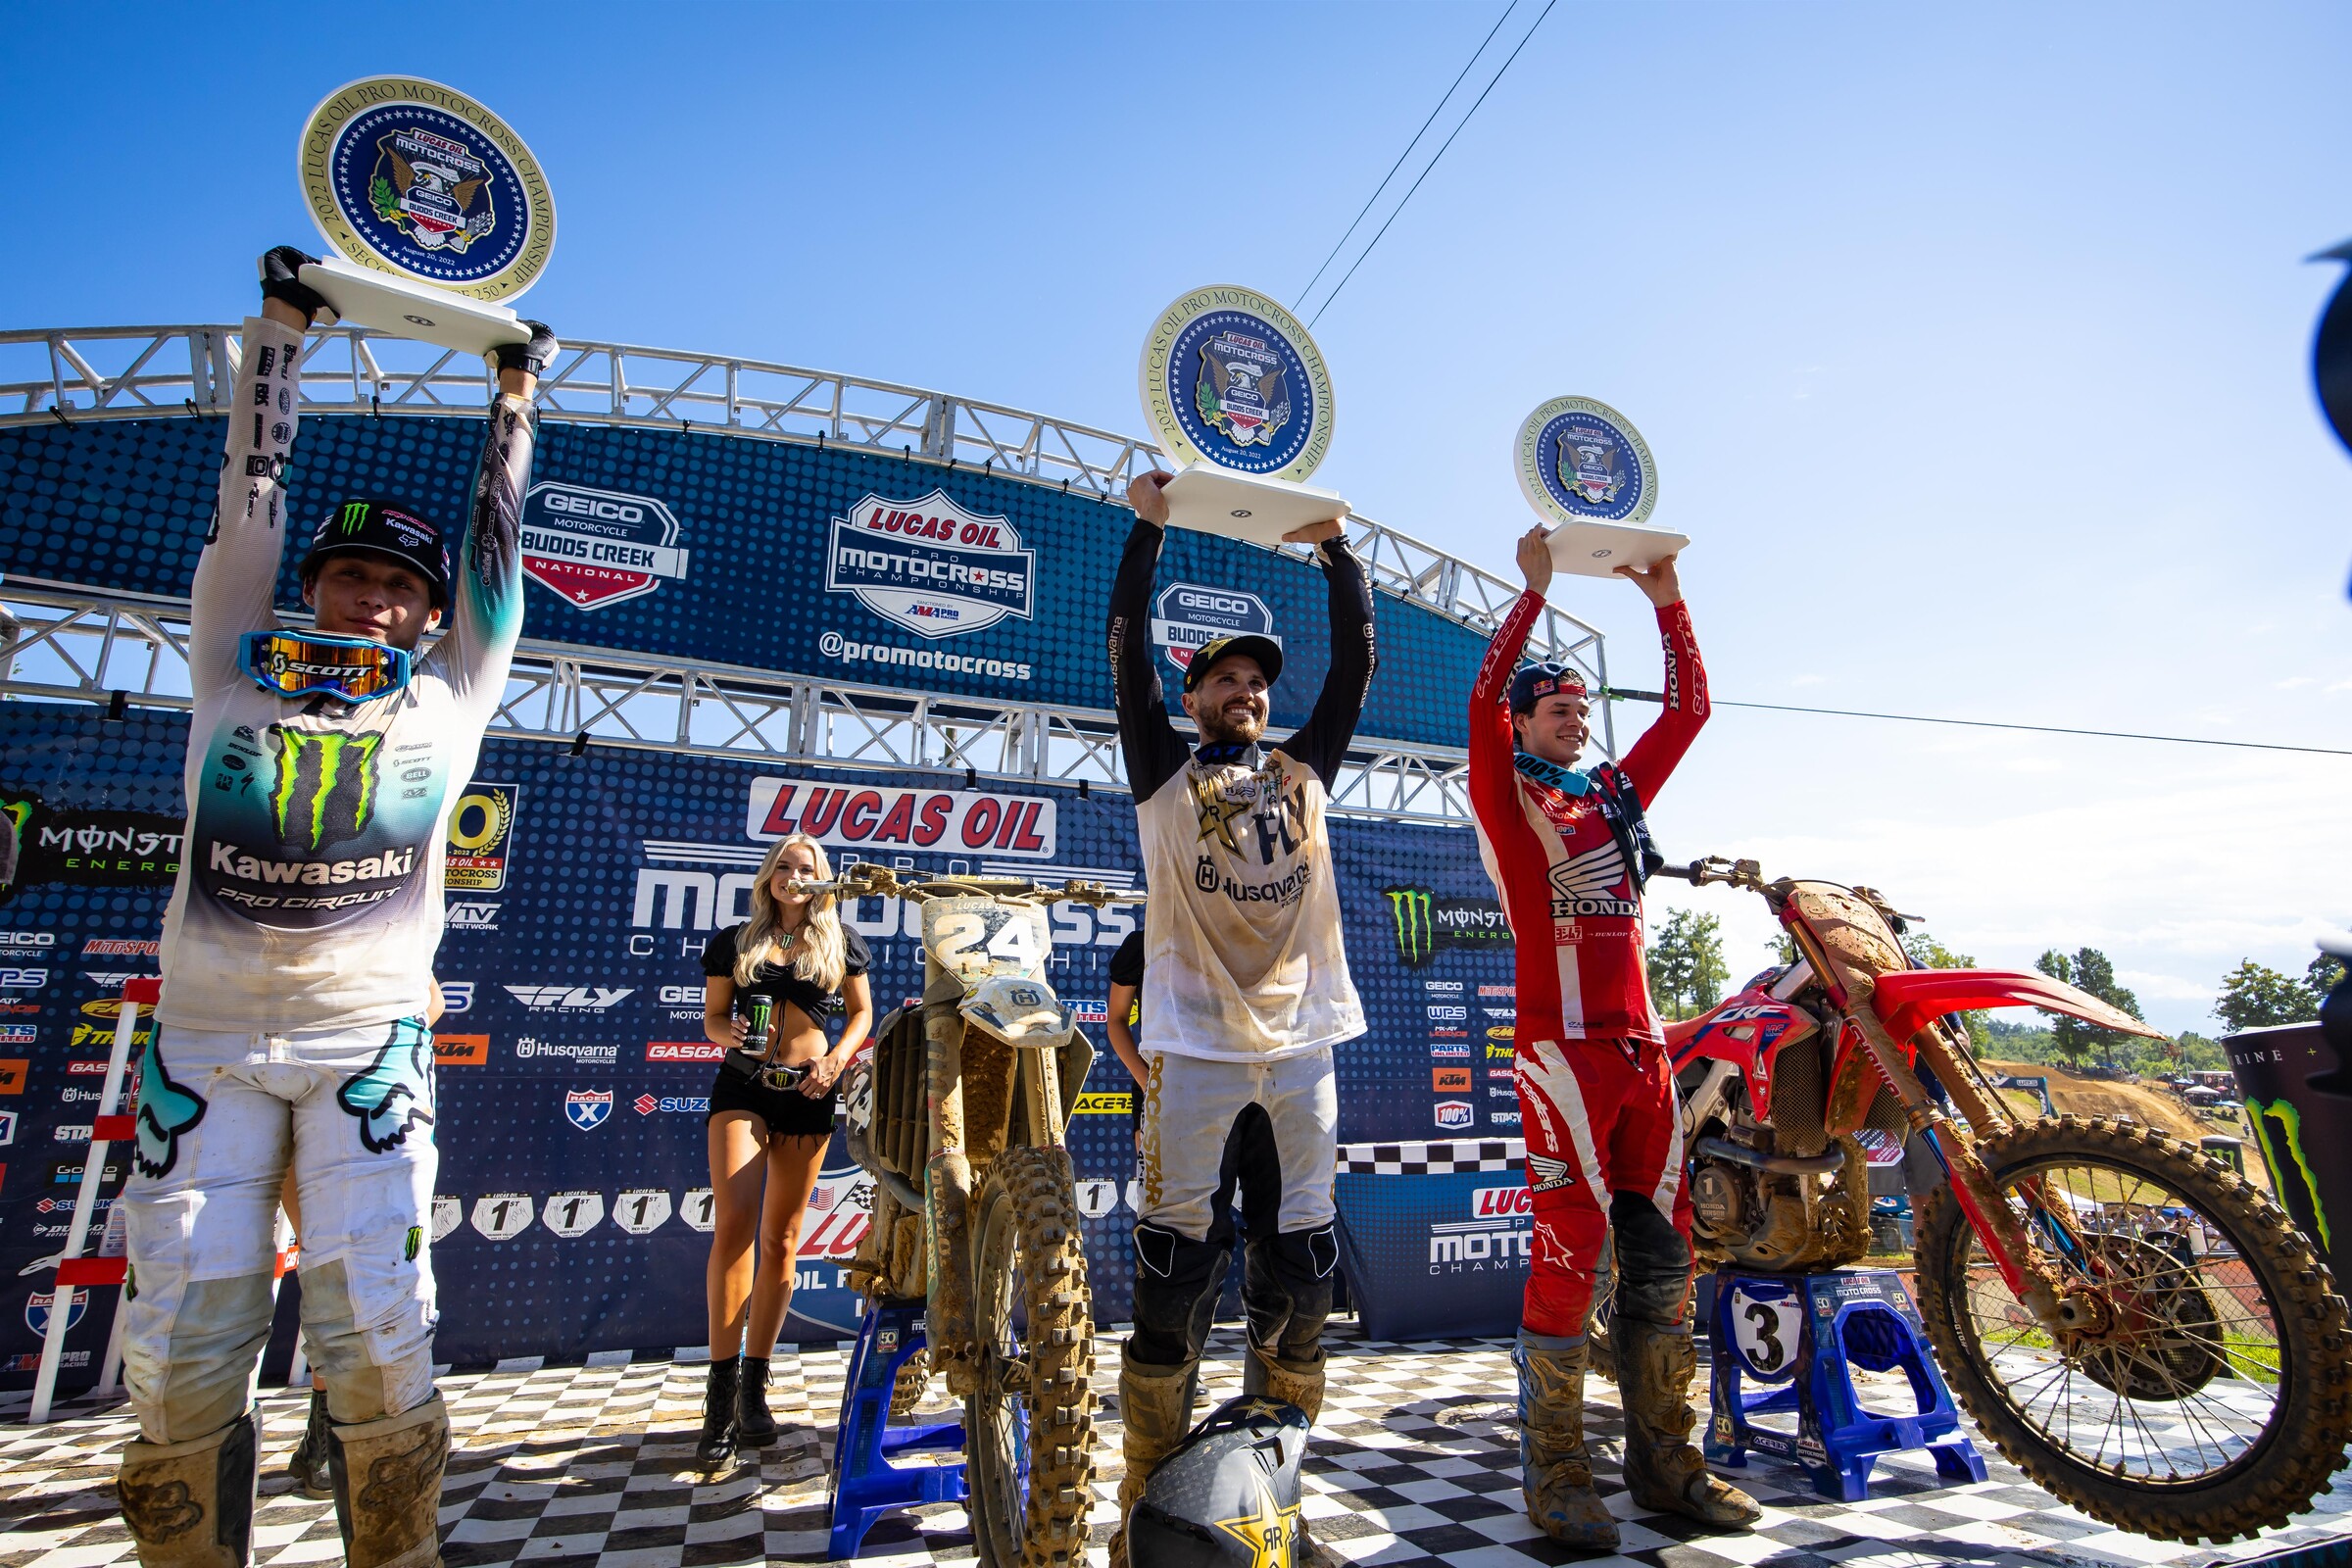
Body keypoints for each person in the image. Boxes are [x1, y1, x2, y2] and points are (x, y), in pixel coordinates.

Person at [116, 247, 553, 1568]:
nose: (377, 596)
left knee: (374, 1318)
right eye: (353, 576)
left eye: (403, 589)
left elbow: (498, 553)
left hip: (367, 1039)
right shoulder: (225, 666)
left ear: (430, 618)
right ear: (312, 588)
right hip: (204, 1044)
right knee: (183, 1339)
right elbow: (250, 494)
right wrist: (279, 334)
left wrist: (515, 395)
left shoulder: (446, 698)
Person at [1466, 527, 1757, 1547]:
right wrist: (1530, 598)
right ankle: (1555, 1472)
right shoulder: (1505, 792)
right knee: (1568, 1254)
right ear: (1519, 716)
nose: (1575, 708)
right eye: (1555, 697)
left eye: (1583, 702)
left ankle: (1668, 1466)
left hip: (1642, 1053)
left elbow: (1688, 711)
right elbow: (1477, 702)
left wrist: (1667, 600)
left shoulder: (1614, 792)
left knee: (1667, 1260)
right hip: (1560, 1054)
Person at [1104, 471, 1375, 1568]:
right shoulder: (1162, 769)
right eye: (1227, 680)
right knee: (1176, 1272)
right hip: (1196, 1048)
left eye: (1258, 682)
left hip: (1302, 1045)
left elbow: (1355, 662)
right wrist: (1146, 530)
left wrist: (1337, 555)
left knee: (1300, 1272)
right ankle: (1141, 1513)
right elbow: (1124, 650)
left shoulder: (1305, 775)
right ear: (1196, 694)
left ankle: (1276, 1504)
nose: (1248, 693)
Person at [693, 832, 873, 1469]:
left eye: (807, 868)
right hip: (741, 1087)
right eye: (784, 866)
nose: (793, 876)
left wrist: (835, 1060)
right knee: (735, 1226)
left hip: (809, 1094)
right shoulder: (736, 941)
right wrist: (729, 1030)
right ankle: (718, 1399)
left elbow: (860, 1016)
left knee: (782, 1240)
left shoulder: (840, 943)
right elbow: (714, 1017)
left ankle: (754, 1390)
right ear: (769, 875)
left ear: (822, 881)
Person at [277, 981, 447, 1500]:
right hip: (238, 1073)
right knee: (226, 1270)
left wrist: (366, 1039)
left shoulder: (376, 914)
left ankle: (333, 1433)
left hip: (350, 1087)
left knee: (338, 1270)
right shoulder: (226, 910)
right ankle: (214, 1437)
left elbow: (430, 998)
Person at [1104, 929, 1147, 1086]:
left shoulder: (1224, 941)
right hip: (1158, 1077)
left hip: (1221, 1076)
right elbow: (1117, 1019)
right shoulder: (1143, 944)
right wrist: (1146, 1081)